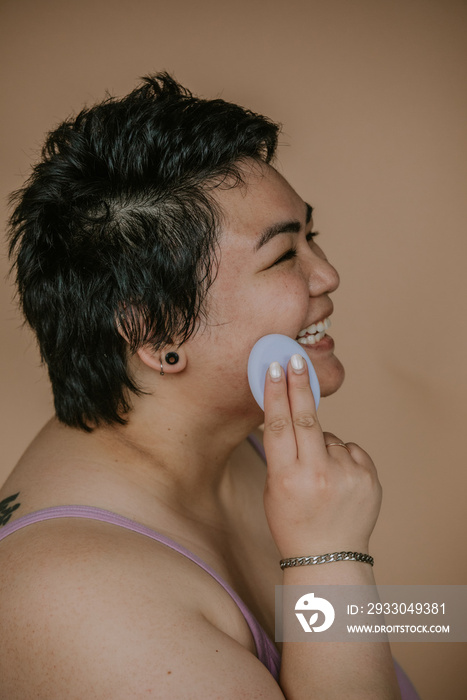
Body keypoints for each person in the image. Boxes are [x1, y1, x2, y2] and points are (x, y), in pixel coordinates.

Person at [0, 73, 419, 699]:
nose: (328, 274)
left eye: (313, 237)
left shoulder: (228, 433)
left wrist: (437, 613)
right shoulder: (81, 605)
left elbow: (398, 627)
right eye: (283, 256)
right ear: (153, 329)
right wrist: (331, 559)